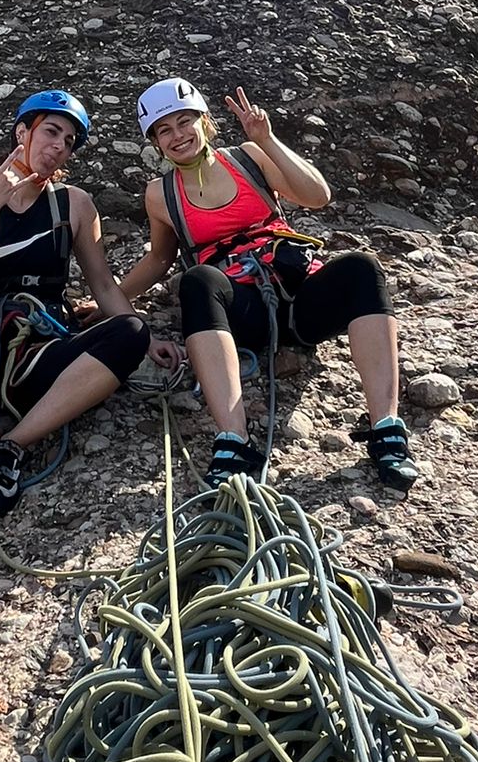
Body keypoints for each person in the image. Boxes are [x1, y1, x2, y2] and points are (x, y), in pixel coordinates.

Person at [0, 89, 180, 630]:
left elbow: (102, 284)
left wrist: (146, 334)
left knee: (128, 333)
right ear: (23, 132)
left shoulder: (74, 206)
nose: (59, 147)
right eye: (51, 132)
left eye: (70, 141)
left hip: (36, 344)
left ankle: (12, 448)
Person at [119, 77, 419, 492]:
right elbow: (158, 259)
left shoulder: (248, 159)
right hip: (245, 312)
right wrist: (109, 303)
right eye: (164, 130)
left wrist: (268, 139)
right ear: (155, 142)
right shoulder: (161, 195)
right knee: (198, 279)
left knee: (361, 268)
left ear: (205, 122)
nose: (177, 135)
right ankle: (234, 439)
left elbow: (317, 196)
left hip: (299, 297)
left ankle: (386, 426)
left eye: (184, 121)